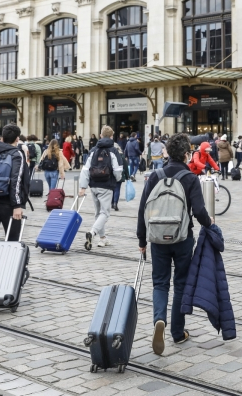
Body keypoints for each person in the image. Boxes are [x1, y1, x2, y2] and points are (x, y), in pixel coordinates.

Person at [137, 133, 214, 355]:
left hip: (158, 239)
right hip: (182, 238)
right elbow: (199, 211)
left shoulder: (155, 176)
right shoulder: (189, 178)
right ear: (187, 154)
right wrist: (210, 224)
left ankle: (159, 320)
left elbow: (143, 209)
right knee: (180, 283)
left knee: (160, 283)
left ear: (167, 153)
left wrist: (142, 239)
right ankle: (178, 333)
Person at [79, 126, 123, 250]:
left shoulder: (93, 150)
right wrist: (117, 179)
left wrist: (83, 186)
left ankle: (103, 239)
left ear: (100, 135)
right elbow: (118, 170)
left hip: (93, 185)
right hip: (106, 185)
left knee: (98, 213)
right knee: (105, 213)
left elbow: (85, 169)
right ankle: (92, 233)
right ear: (111, 136)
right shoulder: (113, 150)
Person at [112, 145, 129, 211]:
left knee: (112, 189)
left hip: (111, 175)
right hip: (119, 174)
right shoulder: (121, 156)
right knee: (117, 189)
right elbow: (125, 166)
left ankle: (112, 202)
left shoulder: (110, 155)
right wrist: (127, 176)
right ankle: (115, 203)